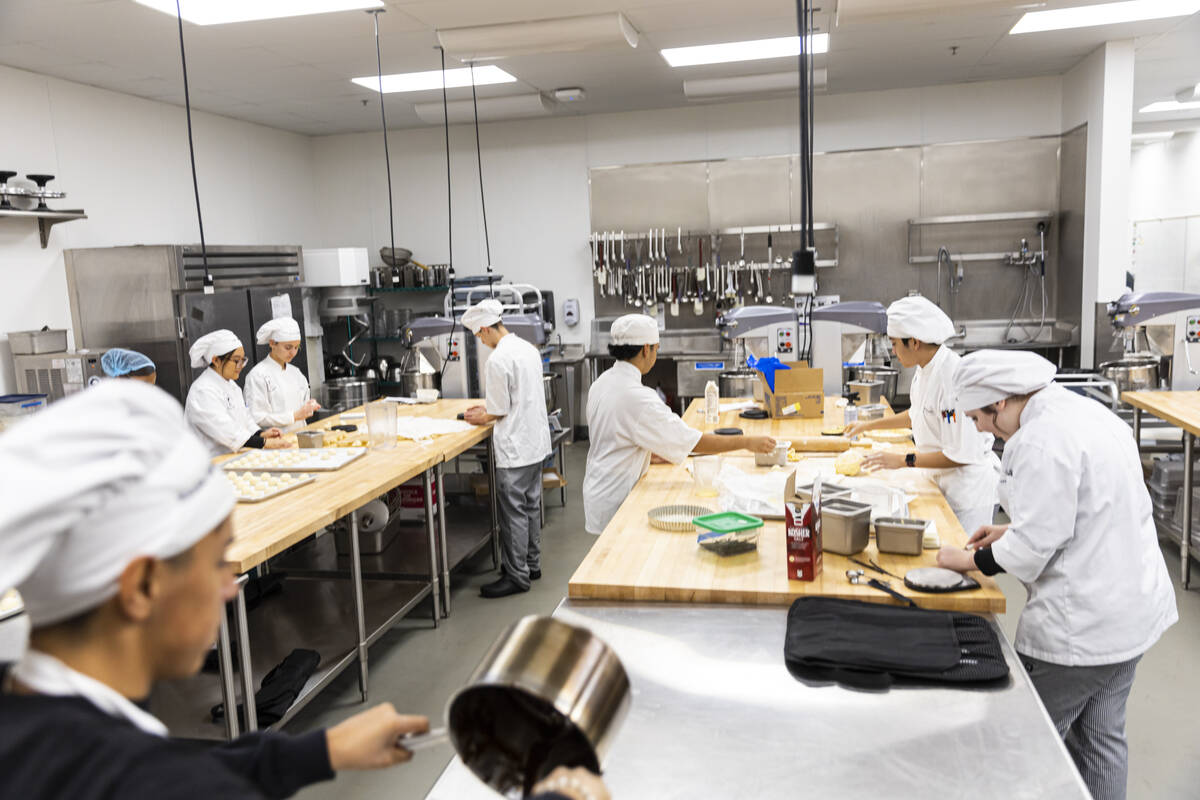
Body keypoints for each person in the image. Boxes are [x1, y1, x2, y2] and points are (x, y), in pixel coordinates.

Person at [0, 381, 607, 800]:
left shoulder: (35, 718)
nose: (232, 592)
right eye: (217, 566)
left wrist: (322, 752)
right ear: (140, 586)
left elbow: (188, 767)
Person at [935, 349, 1177, 800]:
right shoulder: (1087, 413)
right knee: (1102, 742)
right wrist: (1009, 529)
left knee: (1025, 743)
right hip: (1134, 614)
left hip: (1082, 629)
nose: (982, 429)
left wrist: (966, 560)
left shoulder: (1040, 441)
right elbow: (1087, 510)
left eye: (979, 418)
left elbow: (1030, 551)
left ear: (1000, 402)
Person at [583, 313, 776, 534]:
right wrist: (747, 442)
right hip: (616, 500)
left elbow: (615, 439)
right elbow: (693, 442)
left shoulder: (601, 383)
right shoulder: (638, 397)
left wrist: (647, 455)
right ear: (646, 349)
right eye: (656, 348)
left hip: (598, 490)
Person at [845, 295, 999, 534]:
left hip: (967, 494)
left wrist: (903, 460)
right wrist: (868, 426)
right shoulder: (925, 369)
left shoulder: (951, 379)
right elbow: (917, 413)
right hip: (942, 482)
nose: (893, 351)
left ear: (914, 342)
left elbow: (959, 454)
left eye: (895, 344)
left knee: (965, 562)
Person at [461, 299, 552, 599]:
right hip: (536, 444)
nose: (481, 342)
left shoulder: (498, 360)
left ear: (486, 329)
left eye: (479, 336)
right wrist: (491, 408)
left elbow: (498, 409)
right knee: (529, 507)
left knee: (512, 514)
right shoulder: (528, 349)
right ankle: (532, 565)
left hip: (515, 448)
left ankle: (517, 577)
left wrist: (479, 414)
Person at [184, 330, 291, 456]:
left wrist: (259, 434)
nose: (241, 365)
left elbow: (244, 418)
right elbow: (225, 430)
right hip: (210, 462)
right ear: (216, 360)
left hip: (231, 456)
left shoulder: (231, 386)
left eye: (243, 360)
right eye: (236, 360)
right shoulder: (203, 391)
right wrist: (263, 442)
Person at [243, 318, 320, 430]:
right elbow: (255, 417)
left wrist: (309, 406)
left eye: (296, 347)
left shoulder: (296, 373)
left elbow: (303, 404)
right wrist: (293, 416)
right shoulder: (257, 375)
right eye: (288, 347)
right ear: (272, 343)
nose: (293, 353)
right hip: (275, 442)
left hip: (300, 436)